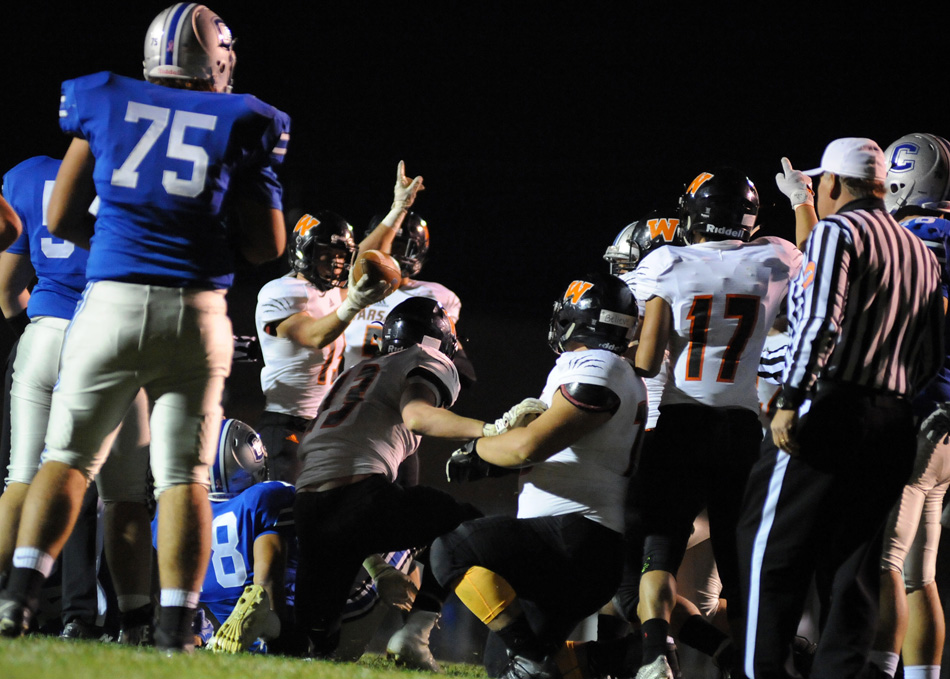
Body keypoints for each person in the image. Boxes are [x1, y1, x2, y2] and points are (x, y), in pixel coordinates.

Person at [0, 3, 288, 654]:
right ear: (213, 56)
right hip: (196, 308)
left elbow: (62, 211)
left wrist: (116, 251)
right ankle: (173, 627)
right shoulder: (246, 117)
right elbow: (269, 244)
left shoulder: (103, 98)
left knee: (67, 456)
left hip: (109, 302)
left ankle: (17, 598)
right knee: (182, 474)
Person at [738, 137, 944, 679]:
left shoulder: (837, 230)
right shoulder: (918, 250)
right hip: (894, 418)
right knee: (854, 573)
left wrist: (790, 397)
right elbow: (931, 352)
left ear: (832, 184)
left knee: (770, 555)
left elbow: (819, 321)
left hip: (830, 408)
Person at [430, 272, 645, 679]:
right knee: (503, 668)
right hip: (576, 542)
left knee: (451, 550)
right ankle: (616, 658)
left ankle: (548, 658)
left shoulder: (597, 364)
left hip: (573, 536)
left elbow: (530, 446)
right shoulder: (616, 369)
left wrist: (479, 451)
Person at [632, 169, 803, 679]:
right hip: (742, 427)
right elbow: (814, 256)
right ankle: (759, 664)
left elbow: (645, 358)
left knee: (658, 548)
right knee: (740, 562)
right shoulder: (774, 258)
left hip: (682, 420)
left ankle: (654, 654)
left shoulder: (667, 262)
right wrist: (803, 200)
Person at [0, 156, 153, 643]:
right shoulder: (150, 173)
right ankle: (136, 624)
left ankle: (9, 603)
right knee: (124, 497)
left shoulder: (27, 177)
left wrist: (49, 318)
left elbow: (6, 294)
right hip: (113, 339)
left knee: (22, 480)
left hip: (46, 334)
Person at [292, 296, 490, 666]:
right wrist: (491, 431)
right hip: (360, 496)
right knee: (467, 526)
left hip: (309, 505)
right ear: (436, 341)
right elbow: (417, 415)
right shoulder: (428, 359)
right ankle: (415, 635)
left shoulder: (353, 374)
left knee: (319, 647)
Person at [255, 163, 423, 483]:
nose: (336, 262)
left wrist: (398, 209)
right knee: (287, 514)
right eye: (326, 253)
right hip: (285, 423)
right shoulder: (279, 291)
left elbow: (368, 254)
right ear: (304, 251)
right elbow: (313, 335)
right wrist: (353, 304)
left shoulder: (332, 292)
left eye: (340, 254)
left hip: (325, 424)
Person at [869, 132, 950, 679]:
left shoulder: (900, 239)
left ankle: (876, 669)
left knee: (882, 565)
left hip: (911, 409)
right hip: (946, 419)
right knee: (921, 572)